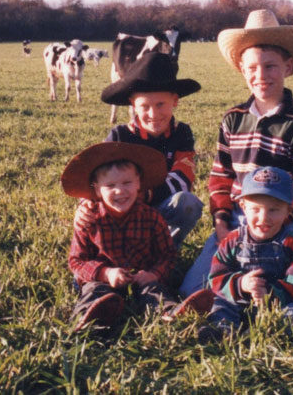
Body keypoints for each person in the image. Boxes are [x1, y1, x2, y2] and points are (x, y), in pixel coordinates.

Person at [180, 9, 293, 297]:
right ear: (242, 70)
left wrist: (274, 221)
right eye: (252, 68)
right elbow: (221, 175)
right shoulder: (233, 119)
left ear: (288, 66)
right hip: (235, 218)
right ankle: (235, 287)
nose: (261, 76)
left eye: (270, 66)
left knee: (280, 289)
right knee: (193, 290)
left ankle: (263, 291)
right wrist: (221, 221)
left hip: (280, 220)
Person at [62, 142, 213, 331]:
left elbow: (167, 255)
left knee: (155, 291)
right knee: (94, 291)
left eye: (127, 183)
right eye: (110, 185)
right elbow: (77, 261)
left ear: (139, 183)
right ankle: (88, 321)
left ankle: (170, 314)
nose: (120, 191)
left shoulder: (151, 217)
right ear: (97, 190)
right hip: (103, 278)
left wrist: (153, 274)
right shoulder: (89, 219)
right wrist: (105, 273)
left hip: (141, 277)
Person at [74, 52, 204, 249]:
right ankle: (111, 252)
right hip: (120, 208)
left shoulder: (182, 133)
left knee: (188, 203)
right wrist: (85, 204)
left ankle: (163, 250)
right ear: (133, 105)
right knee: (95, 210)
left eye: (161, 104)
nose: (153, 114)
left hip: (158, 207)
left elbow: (183, 179)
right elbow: (96, 176)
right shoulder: (119, 135)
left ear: (175, 100)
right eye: (144, 106)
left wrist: (145, 195)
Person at [203, 166, 293, 336]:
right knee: (217, 305)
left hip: (278, 304)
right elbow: (216, 278)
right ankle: (223, 331)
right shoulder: (232, 241)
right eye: (256, 209)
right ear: (243, 206)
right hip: (238, 301)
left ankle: (279, 328)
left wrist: (270, 294)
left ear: (289, 210)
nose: (264, 218)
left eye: (274, 210)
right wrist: (240, 284)